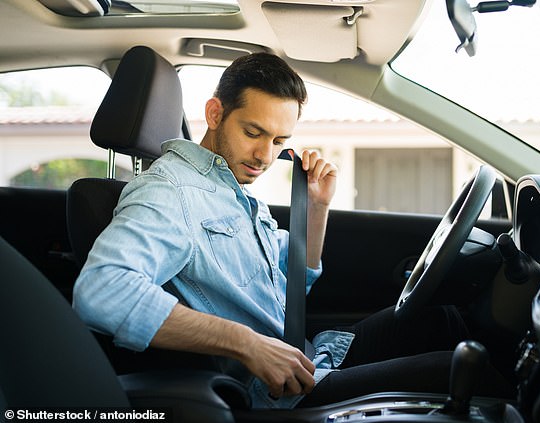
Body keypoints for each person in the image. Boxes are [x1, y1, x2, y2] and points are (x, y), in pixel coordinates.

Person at [73, 53, 510, 409]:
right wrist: (246, 343)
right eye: (253, 132)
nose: (265, 155)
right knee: (478, 373)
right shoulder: (169, 193)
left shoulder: (229, 187)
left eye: (281, 141)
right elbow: (102, 291)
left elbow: (292, 290)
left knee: (445, 323)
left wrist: (317, 208)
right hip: (282, 395)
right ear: (214, 113)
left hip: (311, 354)